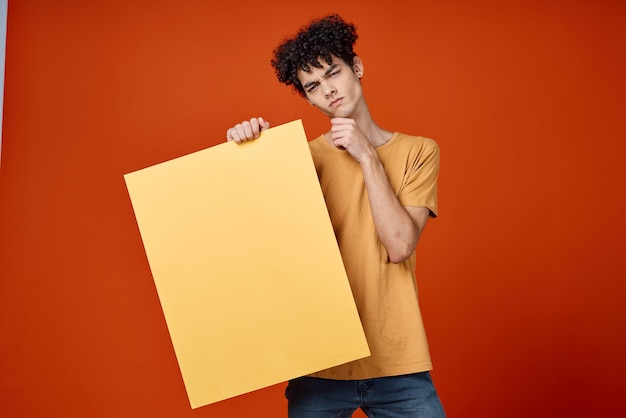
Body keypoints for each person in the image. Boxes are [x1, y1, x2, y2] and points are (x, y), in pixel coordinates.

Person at [226, 14, 445, 418]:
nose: (328, 90)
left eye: (333, 73)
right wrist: (245, 153)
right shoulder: (300, 159)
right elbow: (251, 244)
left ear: (356, 67)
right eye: (313, 86)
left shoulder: (419, 151)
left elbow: (399, 245)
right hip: (319, 363)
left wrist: (366, 156)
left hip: (397, 360)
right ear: (308, 99)